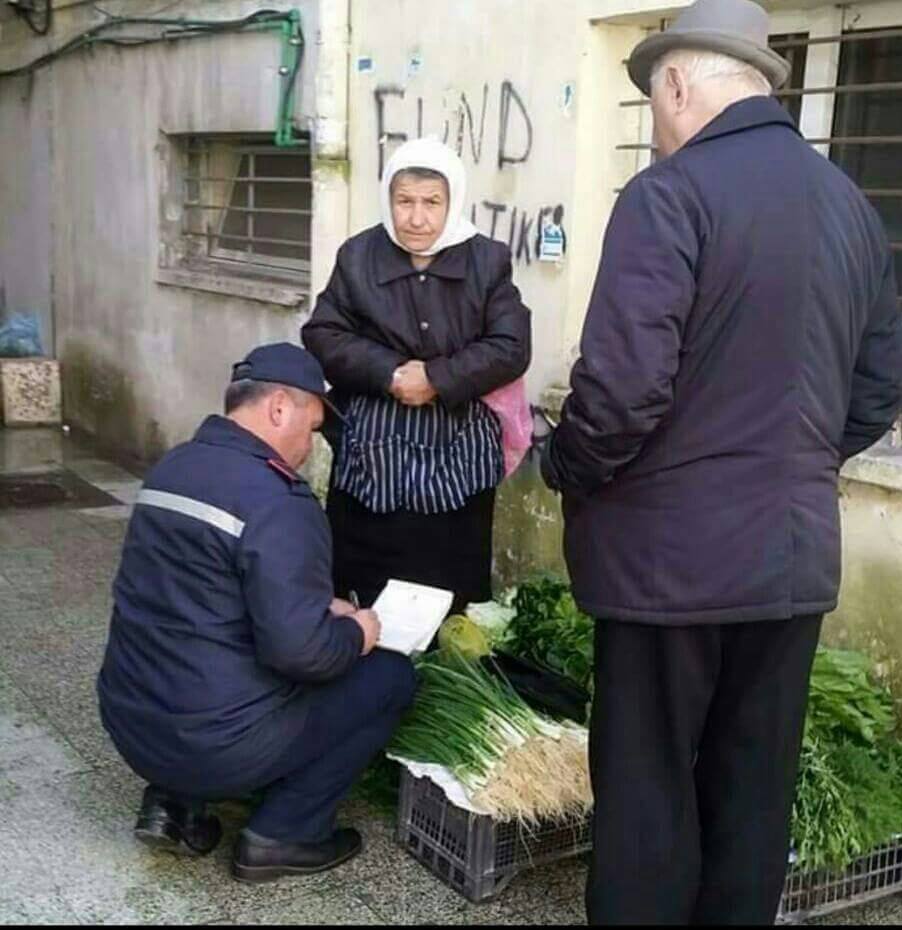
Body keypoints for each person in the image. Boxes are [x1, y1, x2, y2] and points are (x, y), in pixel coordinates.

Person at [540, 0, 902, 924]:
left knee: (648, 793)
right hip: (790, 562)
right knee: (752, 793)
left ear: (674, 84)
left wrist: (566, 467)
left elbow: (619, 394)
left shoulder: (669, 194)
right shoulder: (850, 206)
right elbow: (879, 385)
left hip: (668, 569)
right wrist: (796, 460)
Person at [97, 342, 417, 882]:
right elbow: (304, 655)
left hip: (130, 724)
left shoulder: (173, 467)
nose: (310, 448)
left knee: (196, 651)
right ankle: (285, 833)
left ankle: (175, 806)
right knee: (390, 678)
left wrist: (316, 605)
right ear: (278, 408)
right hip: (214, 745)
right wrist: (357, 633)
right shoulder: (278, 499)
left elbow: (201, 589)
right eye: (312, 430)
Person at [302, 137, 531, 614]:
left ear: (453, 201)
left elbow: (511, 347)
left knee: (448, 592)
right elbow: (323, 333)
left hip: (458, 454)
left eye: (432, 202)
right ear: (389, 198)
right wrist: (388, 373)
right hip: (373, 455)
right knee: (363, 587)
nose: (417, 218)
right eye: (404, 201)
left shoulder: (486, 260)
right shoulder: (358, 256)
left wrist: (437, 378)